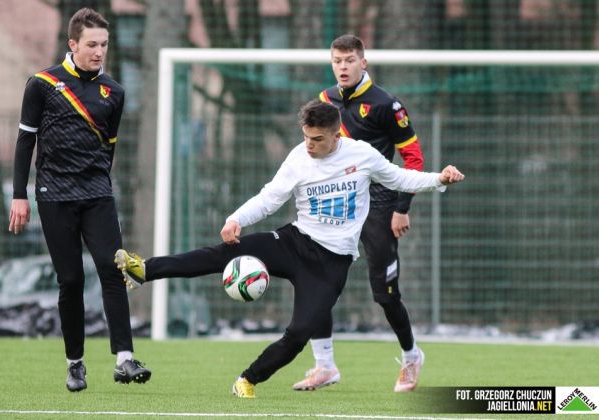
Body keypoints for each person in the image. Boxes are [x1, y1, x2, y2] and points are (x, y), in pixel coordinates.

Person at [114, 99, 464, 398]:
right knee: (223, 253)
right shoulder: (299, 157)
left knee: (297, 335)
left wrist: (439, 180)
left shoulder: (362, 155)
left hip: (332, 263)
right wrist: (236, 218)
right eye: (306, 137)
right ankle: (145, 270)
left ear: (336, 134)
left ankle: (247, 380)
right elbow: (270, 198)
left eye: (317, 139)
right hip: (295, 242)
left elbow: (399, 176)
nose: (310, 144)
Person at [8, 7, 151, 392]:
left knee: (113, 268)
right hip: (54, 196)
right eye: (91, 44)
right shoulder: (42, 84)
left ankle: (124, 359)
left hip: (97, 195)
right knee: (70, 280)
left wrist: (99, 183)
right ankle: (75, 363)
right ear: (73, 44)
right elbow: (25, 141)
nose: (99, 51)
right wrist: (19, 194)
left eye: (104, 44)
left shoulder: (115, 92)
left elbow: (109, 147)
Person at [293, 34, 427, 393]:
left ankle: (412, 356)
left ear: (363, 63)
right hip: (339, 204)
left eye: (349, 60)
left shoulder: (387, 105)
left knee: (384, 293)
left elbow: (413, 159)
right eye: (337, 61)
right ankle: (324, 365)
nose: (342, 67)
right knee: (316, 282)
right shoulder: (325, 102)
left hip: (380, 207)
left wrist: (402, 208)